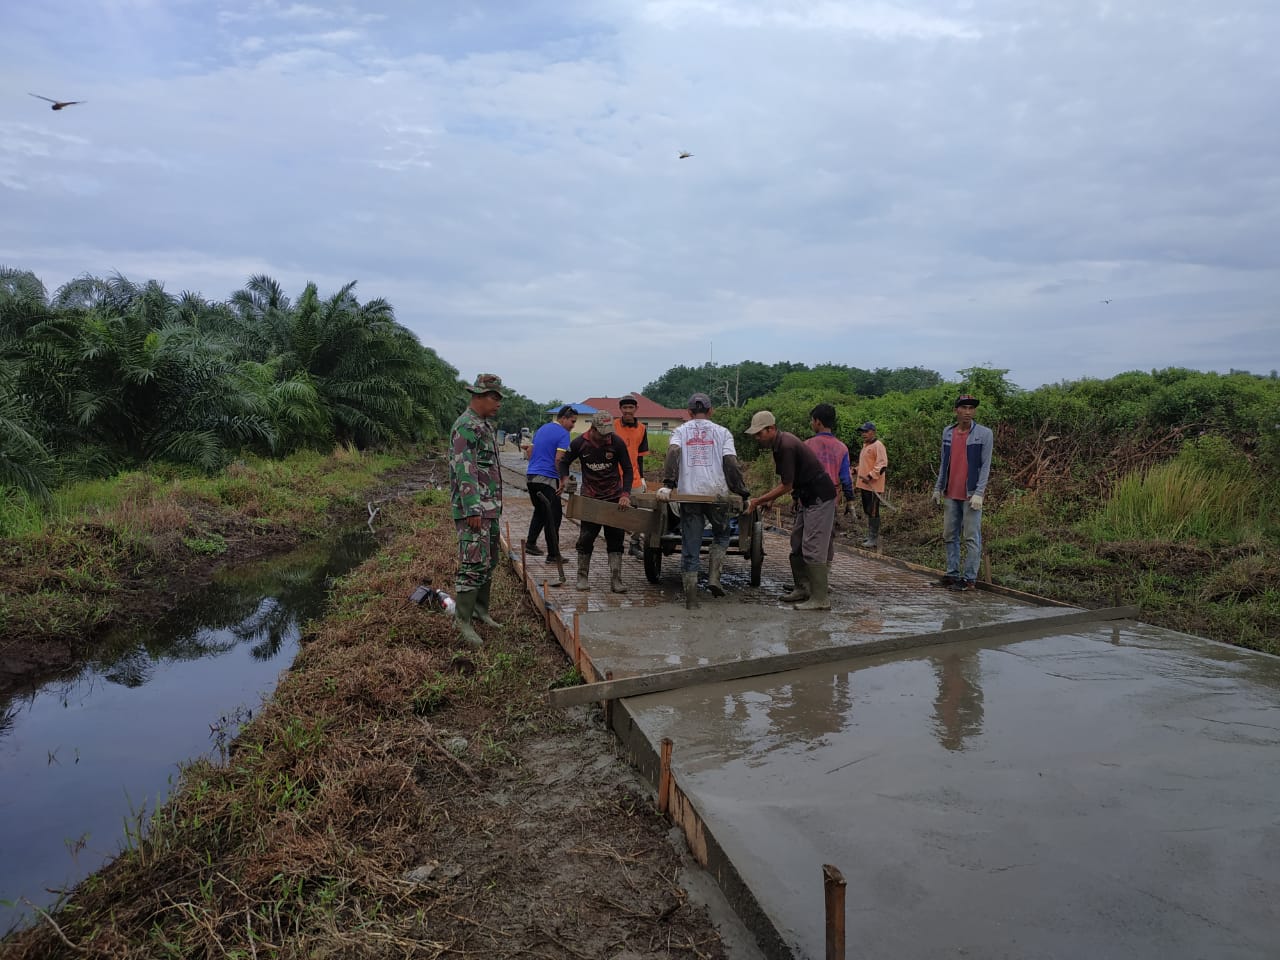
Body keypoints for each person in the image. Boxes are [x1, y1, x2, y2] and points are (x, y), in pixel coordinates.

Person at [658, 393, 750, 608]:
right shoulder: (723, 432)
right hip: (717, 496)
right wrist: (742, 492)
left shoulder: (680, 431)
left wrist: (668, 484)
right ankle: (713, 578)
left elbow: (673, 453)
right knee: (723, 533)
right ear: (711, 411)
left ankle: (691, 600)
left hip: (689, 496)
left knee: (691, 544)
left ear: (689, 413)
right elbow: (731, 464)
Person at [744, 410, 838, 611]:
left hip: (820, 498)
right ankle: (802, 588)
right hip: (807, 497)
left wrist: (759, 500)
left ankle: (820, 599)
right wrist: (771, 499)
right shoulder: (779, 445)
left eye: (759, 433)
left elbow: (787, 485)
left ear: (771, 429)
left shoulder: (786, 445)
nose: (757, 438)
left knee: (813, 546)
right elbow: (789, 479)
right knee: (797, 541)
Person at [449, 373, 507, 648]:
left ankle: (481, 610)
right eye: (494, 398)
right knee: (472, 563)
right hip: (474, 510)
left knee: (489, 561)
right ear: (478, 396)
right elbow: (465, 470)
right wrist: (473, 508)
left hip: (490, 509)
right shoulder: (466, 426)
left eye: (498, 398)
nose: (498, 403)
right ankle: (463, 620)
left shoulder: (485, 425)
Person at [558, 411, 633, 593]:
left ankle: (616, 579)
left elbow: (628, 470)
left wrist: (625, 494)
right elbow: (563, 462)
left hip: (613, 498)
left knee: (616, 539)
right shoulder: (579, 443)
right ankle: (582, 577)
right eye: (602, 433)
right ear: (593, 429)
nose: (606, 437)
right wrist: (565, 479)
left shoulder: (616, 443)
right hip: (590, 497)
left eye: (609, 433)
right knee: (586, 538)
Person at [932, 394, 993, 592]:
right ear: (956, 410)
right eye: (964, 407)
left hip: (970, 494)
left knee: (971, 537)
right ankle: (952, 574)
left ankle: (969, 579)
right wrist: (938, 488)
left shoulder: (984, 434)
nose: (968, 412)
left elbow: (985, 465)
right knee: (950, 534)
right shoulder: (948, 433)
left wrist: (979, 492)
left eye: (971, 408)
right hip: (951, 492)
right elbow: (944, 462)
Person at [525, 405, 577, 561]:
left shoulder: (542, 428)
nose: (573, 425)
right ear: (563, 418)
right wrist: (562, 480)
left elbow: (529, 451)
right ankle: (553, 555)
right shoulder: (563, 433)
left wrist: (536, 465)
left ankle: (531, 543)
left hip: (531, 477)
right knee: (554, 517)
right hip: (547, 479)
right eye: (572, 421)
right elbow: (559, 459)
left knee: (541, 511)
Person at [805, 403, 856, 527]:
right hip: (830, 500)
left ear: (818, 422)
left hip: (809, 498)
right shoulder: (842, 448)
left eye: (812, 420)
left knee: (809, 538)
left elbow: (799, 474)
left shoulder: (807, 445)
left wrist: (795, 497)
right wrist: (850, 500)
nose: (811, 423)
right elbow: (846, 478)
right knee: (826, 536)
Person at [613, 395, 650, 559]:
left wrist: (642, 478)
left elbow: (640, 456)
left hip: (634, 478)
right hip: (614, 477)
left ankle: (634, 543)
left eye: (631, 408)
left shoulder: (642, 428)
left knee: (644, 512)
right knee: (616, 514)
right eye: (625, 408)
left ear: (636, 409)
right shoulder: (612, 426)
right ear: (620, 409)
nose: (628, 411)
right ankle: (616, 546)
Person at [855, 421, 889, 549]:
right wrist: (856, 470)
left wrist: (870, 476)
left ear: (873, 432)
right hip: (864, 485)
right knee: (868, 510)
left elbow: (882, 465)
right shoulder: (866, 446)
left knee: (874, 511)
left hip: (874, 486)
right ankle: (870, 535)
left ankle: (873, 538)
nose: (863, 434)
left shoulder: (878, 445)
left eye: (866, 431)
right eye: (862, 432)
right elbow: (865, 464)